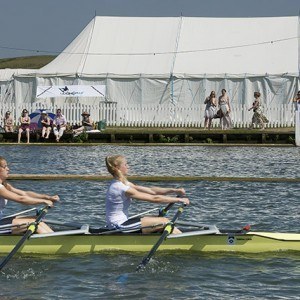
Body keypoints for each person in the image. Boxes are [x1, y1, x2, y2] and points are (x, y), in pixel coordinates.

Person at [105, 155, 190, 234]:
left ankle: (182, 237)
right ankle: (186, 242)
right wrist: (179, 200)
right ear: (117, 168)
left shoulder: (124, 183)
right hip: (118, 226)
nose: (128, 167)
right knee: (165, 221)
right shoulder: (120, 187)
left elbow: (152, 191)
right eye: (125, 164)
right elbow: (154, 199)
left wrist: (175, 190)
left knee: (158, 219)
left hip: (122, 222)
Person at [0, 156, 59, 234]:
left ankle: (53, 237)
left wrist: (48, 197)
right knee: (33, 222)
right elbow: (21, 199)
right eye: (5, 167)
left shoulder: (5, 185)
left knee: (36, 219)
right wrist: (43, 201)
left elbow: (25, 193)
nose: (8, 169)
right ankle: (53, 243)